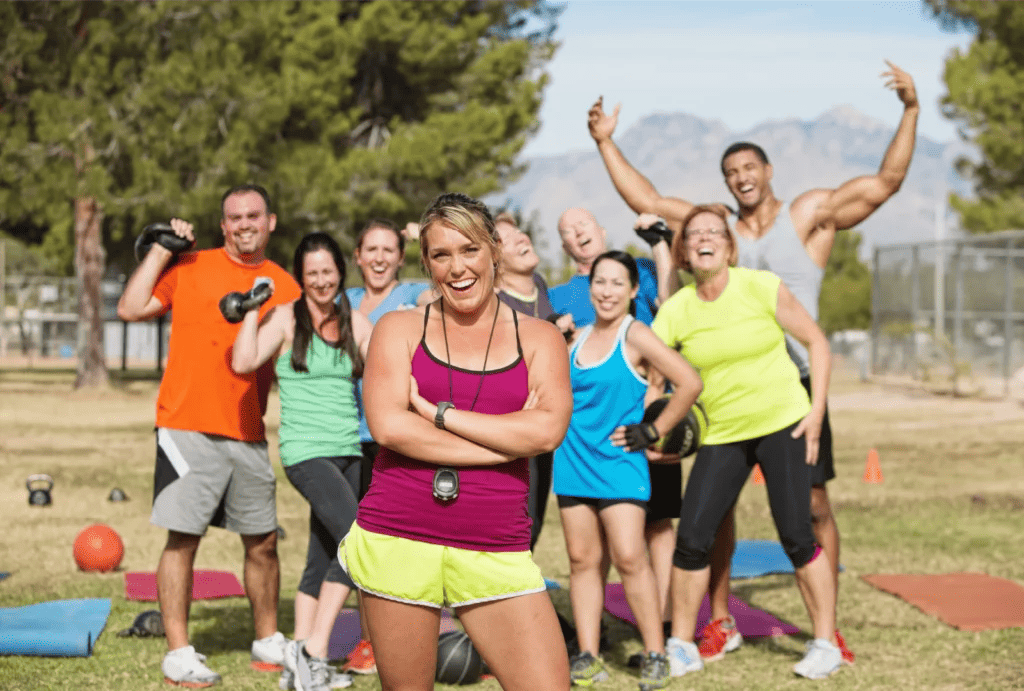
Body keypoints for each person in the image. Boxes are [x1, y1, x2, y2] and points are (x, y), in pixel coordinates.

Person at [588, 61, 919, 663]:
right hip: (720, 391)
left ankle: (826, 627)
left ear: (768, 172)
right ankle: (716, 621)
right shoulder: (709, 228)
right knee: (712, 515)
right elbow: (649, 200)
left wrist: (911, 110)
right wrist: (606, 142)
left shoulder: (807, 215)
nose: (740, 178)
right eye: (730, 171)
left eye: (749, 169)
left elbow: (884, 183)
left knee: (810, 511)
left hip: (791, 383)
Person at [340, 192, 573, 691]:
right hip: (398, 536)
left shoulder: (540, 337)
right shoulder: (397, 328)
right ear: (426, 263)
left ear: (494, 250)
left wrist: (440, 415)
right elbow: (389, 428)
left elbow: (548, 431)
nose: (457, 267)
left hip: (495, 544)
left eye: (468, 249)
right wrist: (507, 442)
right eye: (440, 255)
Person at [117, 184, 302, 688]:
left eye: (254, 215)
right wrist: (161, 247)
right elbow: (130, 308)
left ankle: (267, 639)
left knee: (262, 541)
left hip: (248, 429)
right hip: (186, 422)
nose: (244, 224)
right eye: (234, 217)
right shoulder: (190, 265)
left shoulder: (285, 285)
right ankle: (178, 651)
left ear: (271, 222)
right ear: (223, 226)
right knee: (184, 538)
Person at [652, 205, 839, 679]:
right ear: (685, 253)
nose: (704, 238)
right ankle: (680, 646)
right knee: (693, 537)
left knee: (797, 533)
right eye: (694, 235)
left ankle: (824, 641)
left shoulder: (760, 286)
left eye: (715, 231)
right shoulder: (675, 311)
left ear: (730, 247)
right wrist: (654, 431)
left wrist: (815, 413)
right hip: (721, 434)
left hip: (784, 424)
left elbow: (817, 342)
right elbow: (655, 381)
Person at [554, 250, 703, 691]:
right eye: (600, 281)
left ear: (634, 290)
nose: (607, 291)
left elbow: (690, 382)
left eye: (618, 283)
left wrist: (652, 430)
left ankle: (656, 652)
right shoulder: (575, 340)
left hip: (621, 464)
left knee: (629, 557)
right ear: (590, 286)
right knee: (582, 561)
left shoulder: (635, 334)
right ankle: (588, 654)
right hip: (573, 463)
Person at [231, 232, 372, 691]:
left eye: (327, 272)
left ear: (339, 273)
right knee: (358, 541)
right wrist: (252, 311)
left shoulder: (358, 321)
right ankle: (312, 651)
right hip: (305, 454)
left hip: (349, 450)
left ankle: (300, 667)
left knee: (323, 556)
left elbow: (392, 366)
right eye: (311, 273)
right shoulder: (289, 319)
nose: (320, 281)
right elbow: (243, 360)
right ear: (301, 277)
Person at [549, 207, 681, 634]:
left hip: (638, 426)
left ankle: (661, 625)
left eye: (583, 224)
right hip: (585, 446)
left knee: (654, 530)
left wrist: (660, 242)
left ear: (600, 230)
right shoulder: (561, 295)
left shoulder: (638, 268)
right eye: (566, 230)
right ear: (566, 246)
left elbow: (671, 302)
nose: (577, 232)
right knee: (588, 555)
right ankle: (596, 636)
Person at [341, 218, 431, 675]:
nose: (378, 257)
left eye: (388, 250)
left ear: (400, 257)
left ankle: (412, 635)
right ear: (357, 256)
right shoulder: (346, 301)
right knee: (365, 543)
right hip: (349, 437)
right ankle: (369, 640)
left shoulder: (412, 296)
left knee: (406, 542)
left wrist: (425, 244)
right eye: (370, 249)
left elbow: (443, 297)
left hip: (396, 436)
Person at [493, 212, 574, 550]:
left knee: (536, 517)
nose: (520, 238)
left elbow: (543, 323)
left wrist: (558, 323)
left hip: (545, 416)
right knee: (515, 516)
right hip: (513, 421)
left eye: (519, 233)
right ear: (494, 260)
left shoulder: (538, 284)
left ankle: (516, 595)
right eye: (506, 239)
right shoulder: (494, 303)